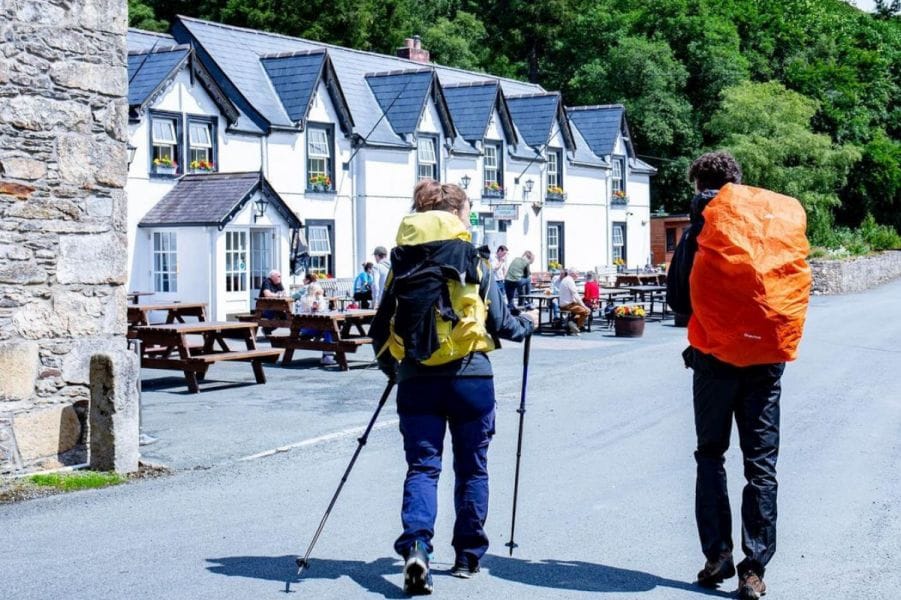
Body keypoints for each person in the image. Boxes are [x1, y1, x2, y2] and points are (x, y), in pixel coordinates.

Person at [370, 180, 535, 595]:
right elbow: (501, 323)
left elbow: (380, 328)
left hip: (416, 379)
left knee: (423, 468)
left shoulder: (401, 264)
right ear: (458, 214)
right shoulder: (475, 261)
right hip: (471, 378)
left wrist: (394, 369)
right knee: (472, 468)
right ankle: (467, 556)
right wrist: (527, 325)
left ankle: (417, 548)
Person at [667, 151, 810, 600]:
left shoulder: (701, 226)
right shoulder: (768, 222)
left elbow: (678, 300)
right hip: (766, 360)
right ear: (737, 182)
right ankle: (754, 570)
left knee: (711, 455)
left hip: (713, 359)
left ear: (699, 185)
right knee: (761, 465)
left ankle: (718, 555)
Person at [292, 272, 336, 366]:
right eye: (320, 291)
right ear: (316, 291)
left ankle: (328, 355)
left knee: (328, 329)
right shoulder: (317, 300)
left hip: (303, 327)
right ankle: (328, 356)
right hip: (310, 328)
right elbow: (320, 311)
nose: (322, 292)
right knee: (329, 329)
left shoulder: (303, 298)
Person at [558, 268, 590, 335]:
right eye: (577, 274)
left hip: (563, 304)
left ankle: (572, 323)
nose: (578, 275)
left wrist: (579, 302)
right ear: (572, 274)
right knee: (586, 311)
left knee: (579, 309)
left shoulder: (565, 279)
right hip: (568, 305)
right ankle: (575, 326)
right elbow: (575, 295)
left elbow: (572, 295)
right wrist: (584, 306)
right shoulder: (570, 281)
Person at [258, 270, 285, 334]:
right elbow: (267, 294)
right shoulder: (267, 281)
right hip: (265, 308)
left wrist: (278, 294)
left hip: (276, 308)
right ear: (272, 276)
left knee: (286, 317)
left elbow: (284, 293)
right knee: (278, 317)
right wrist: (277, 295)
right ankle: (267, 329)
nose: (280, 277)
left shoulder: (278, 283)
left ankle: (267, 329)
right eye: (278, 276)